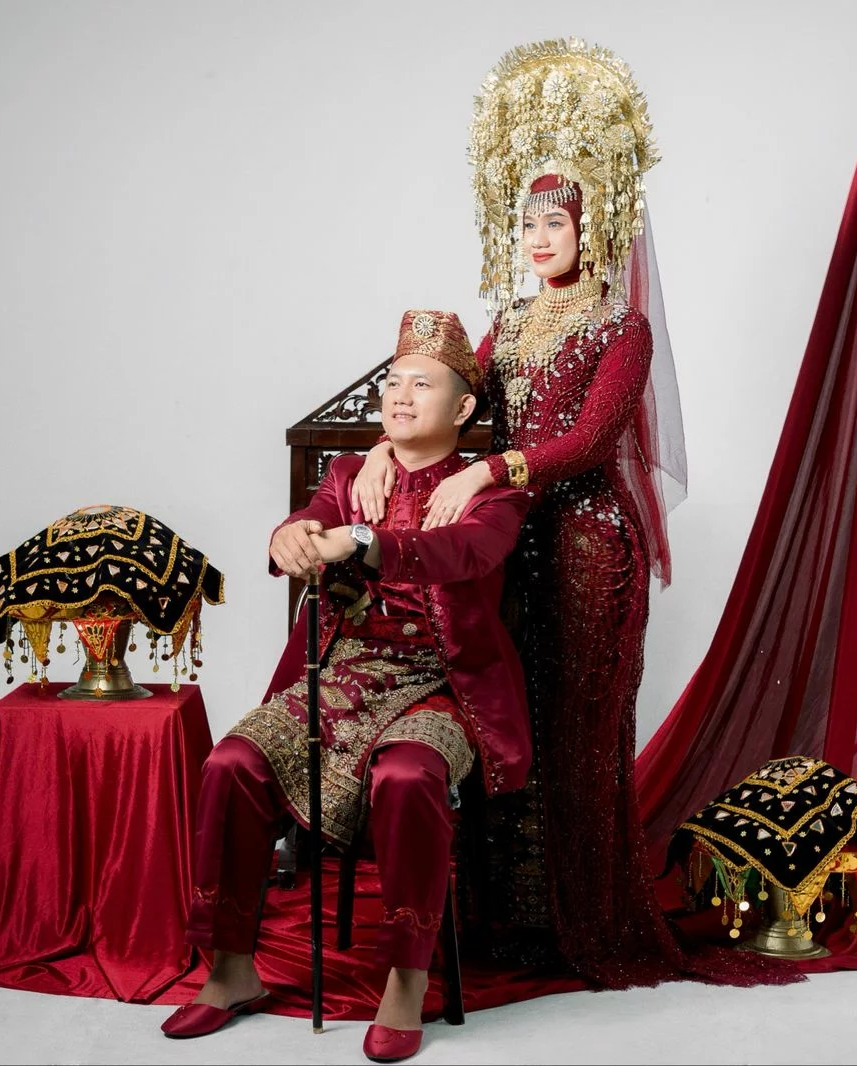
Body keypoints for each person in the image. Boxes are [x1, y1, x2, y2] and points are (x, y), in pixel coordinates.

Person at [350, 41, 772, 990]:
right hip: (509, 545)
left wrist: (493, 468)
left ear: (595, 223)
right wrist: (381, 449)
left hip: (588, 548)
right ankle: (514, 916)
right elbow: (443, 403)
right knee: (511, 721)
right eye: (529, 220)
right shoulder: (508, 322)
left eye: (557, 220)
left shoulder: (622, 327)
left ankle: (590, 917)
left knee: (580, 732)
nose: (539, 237)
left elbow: (586, 442)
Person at [161, 309, 532, 1063]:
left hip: (440, 685)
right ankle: (229, 970)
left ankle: (406, 979)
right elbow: (308, 522)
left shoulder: (494, 496)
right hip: (341, 673)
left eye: (421, 385)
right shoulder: (349, 474)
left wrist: (365, 540)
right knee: (232, 763)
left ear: (463, 407)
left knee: (407, 776)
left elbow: (463, 554)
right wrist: (289, 536)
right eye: (393, 383)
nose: (400, 396)